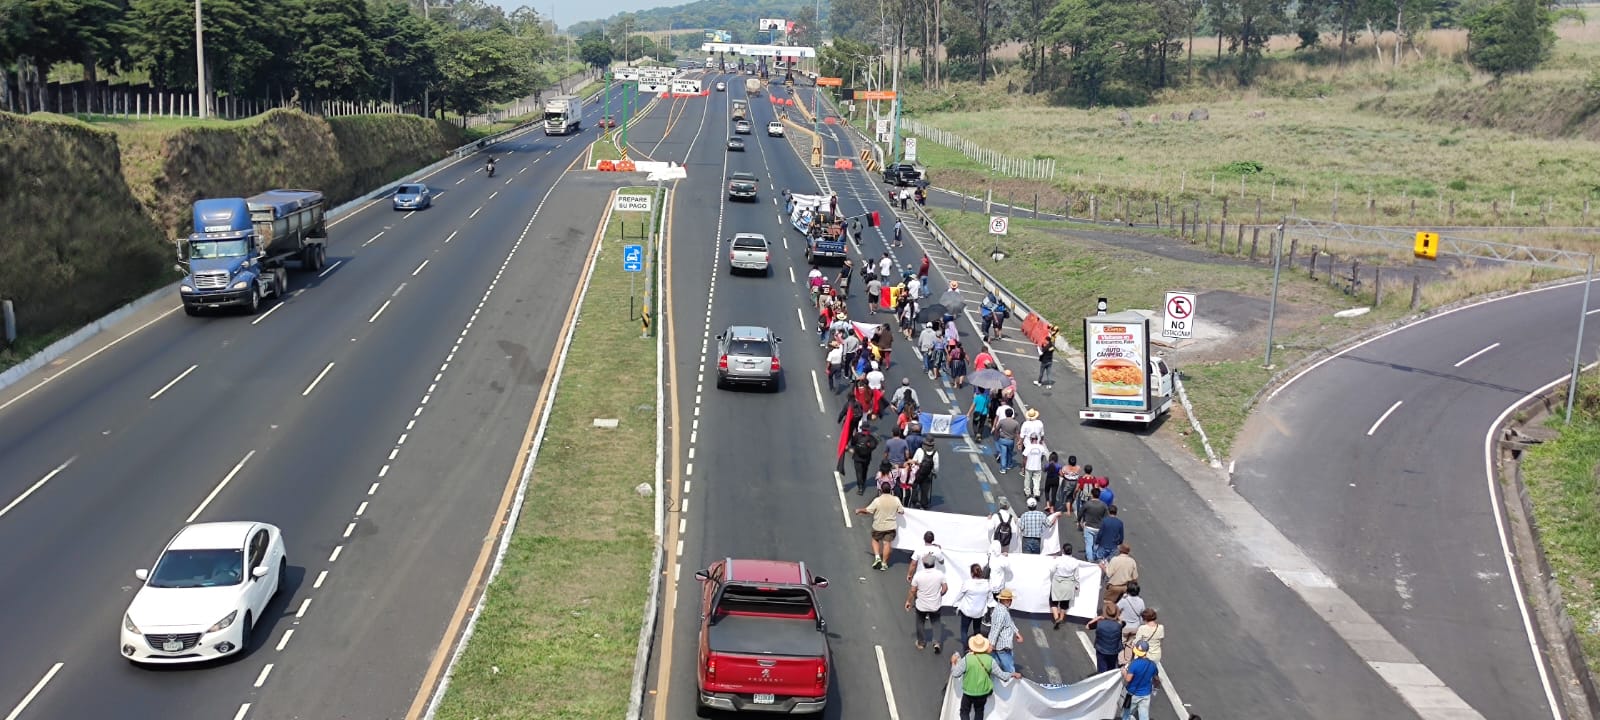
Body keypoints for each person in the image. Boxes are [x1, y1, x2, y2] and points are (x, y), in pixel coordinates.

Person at [949, 635, 1019, 720]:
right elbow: (1003, 676)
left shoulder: (967, 659)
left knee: (964, 711)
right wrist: (1012, 674)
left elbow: (955, 674)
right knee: (979, 711)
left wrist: (953, 662)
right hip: (983, 693)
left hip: (968, 692)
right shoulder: (990, 660)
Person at [855, 483, 903, 570]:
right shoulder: (896, 500)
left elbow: (868, 510)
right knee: (887, 543)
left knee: (875, 539)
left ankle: (877, 557)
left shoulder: (877, 500)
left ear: (881, 490)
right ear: (890, 490)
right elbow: (901, 511)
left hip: (878, 526)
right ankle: (884, 563)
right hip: (890, 527)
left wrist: (859, 510)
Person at [906, 554, 948, 651]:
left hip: (921, 605)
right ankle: (937, 642)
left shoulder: (918, 575)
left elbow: (913, 590)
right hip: (935, 605)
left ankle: (921, 643)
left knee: (920, 623)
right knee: (936, 623)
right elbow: (945, 588)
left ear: (924, 563)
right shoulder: (940, 574)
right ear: (934, 563)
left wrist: (908, 601)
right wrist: (939, 595)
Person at [986, 588, 1022, 674]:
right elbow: (996, 629)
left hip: (998, 646)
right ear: (1006, 600)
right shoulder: (1001, 612)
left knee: (996, 667)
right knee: (1009, 669)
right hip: (1002, 645)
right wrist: (991, 644)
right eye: (1010, 599)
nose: (1011, 601)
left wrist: (1016, 632)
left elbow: (1009, 622)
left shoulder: (1002, 609)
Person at [1121, 641, 1159, 720]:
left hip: (1133, 694)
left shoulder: (1134, 664)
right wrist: (1155, 688)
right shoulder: (1152, 664)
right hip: (1146, 694)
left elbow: (1128, 679)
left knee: (1126, 715)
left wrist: (1124, 672)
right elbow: (1156, 679)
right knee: (1144, 716)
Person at [1086, 601, 1124, 673]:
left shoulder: (1099, 623)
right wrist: (1117, 617)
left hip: (1101, 649)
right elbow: (1122, 621)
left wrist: (1098, 618)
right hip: (1114, 650)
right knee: (1111, 667)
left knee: (1101, 668)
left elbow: (1088, 626)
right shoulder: (1119, 625)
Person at [956, 564, 991, 640]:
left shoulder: (967, 583)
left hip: (967, 611)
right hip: (979, 612)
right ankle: (978, 647)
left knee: (964, 630)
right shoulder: (986, 584)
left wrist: (955, 605)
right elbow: (990, 599)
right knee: (977, 629)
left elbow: (960, 596)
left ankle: (966, 649)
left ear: (972, 573)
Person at [1050, 551, 1084, 629]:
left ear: (1063, 551)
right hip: (1068, 584)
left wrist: (1054, 560)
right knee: (1064, 602)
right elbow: (1076, 576)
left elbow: (1051, 570)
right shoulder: (1075, 561)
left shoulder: (1058, 560)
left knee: (1053, 601)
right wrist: (1077, 585)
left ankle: (1056, 618)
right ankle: (1061, 619)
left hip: (1057, 584)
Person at [1079, 487, 1108, 560]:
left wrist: (1079, 521)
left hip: (1088, 527)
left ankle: (1090, 560)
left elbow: (1080, 513)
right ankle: (1095, 557)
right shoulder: (1104, 505)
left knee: (1089, 544)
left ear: (1092, 495)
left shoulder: (1087, 504)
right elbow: (1106, 517)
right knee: (1096, 544)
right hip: (1099, 528)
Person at [911, 436, 939, 509]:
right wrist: (934, 472)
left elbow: (913, 461)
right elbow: (936, 466)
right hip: (928, 474)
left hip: (918, 473)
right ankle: (924, 503)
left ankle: (915, 501)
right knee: (925, 489)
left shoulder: (919, 450)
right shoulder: (935, 453)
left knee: (915, 486)